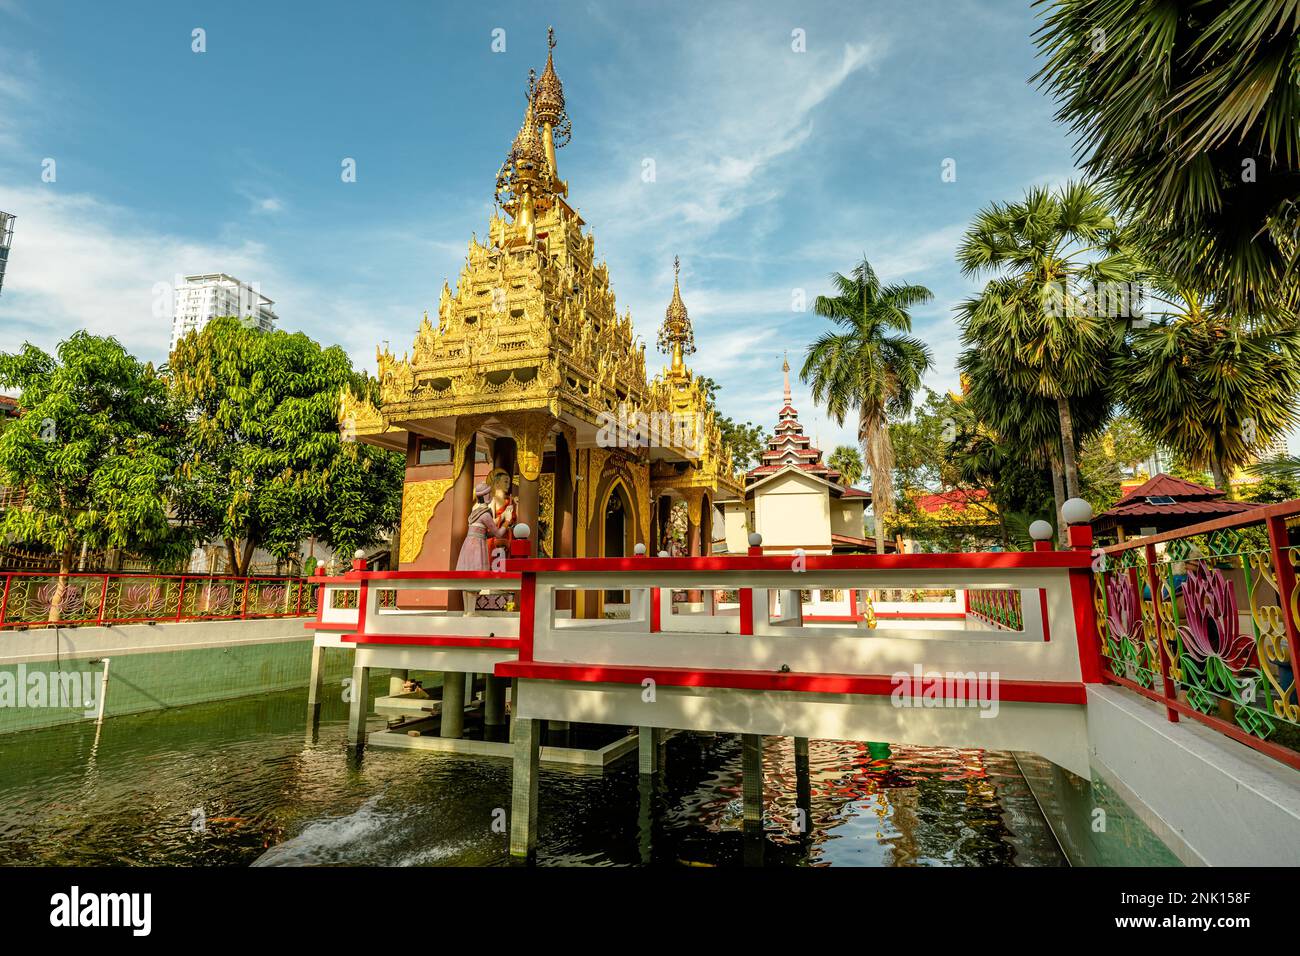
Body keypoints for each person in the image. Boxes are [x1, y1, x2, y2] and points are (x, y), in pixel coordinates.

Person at [455, 469, 515, 614]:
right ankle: (470, 612)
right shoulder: (487, 509)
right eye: (505, 481)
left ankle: (468, 612)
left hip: (474, 542)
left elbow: (482, 529)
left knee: (469, 576)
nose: (508, 484)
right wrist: (506, 520)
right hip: (482, 544)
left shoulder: (474, 512)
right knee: (475, 576)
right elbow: (495, 529)